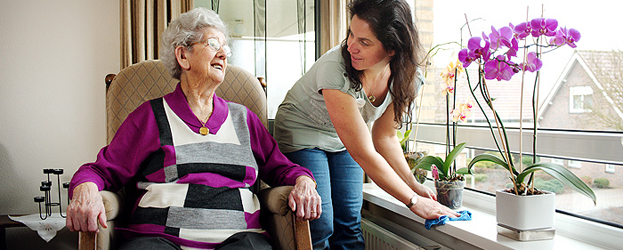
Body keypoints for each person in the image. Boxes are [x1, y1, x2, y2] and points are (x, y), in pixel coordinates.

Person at [66, 7, 321, 250]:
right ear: (183, 55)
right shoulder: (150, 117)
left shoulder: (244, 119)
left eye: (225, 48)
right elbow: (102, 170)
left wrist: (304, 181)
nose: (223, 54)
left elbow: (282, 168)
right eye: (213, 45)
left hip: (240, 239)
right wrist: (85, 188)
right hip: (158, 238)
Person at [273, 0, 459, 249]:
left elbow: (385, 138)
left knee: (349, 220)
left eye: (364, 41)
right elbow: (364, 152)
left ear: (392, 49)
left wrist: (413, 184)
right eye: (351, 34)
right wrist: (413, 201)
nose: (351, 46)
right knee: (321, 221)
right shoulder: (335, 69)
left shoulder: (408, 78)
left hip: (343, 139)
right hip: (302, 132)